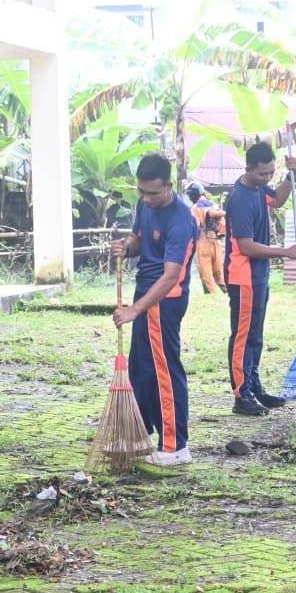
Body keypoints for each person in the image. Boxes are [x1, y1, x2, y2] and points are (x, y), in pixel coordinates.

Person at [111, 154, 200, 465]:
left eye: (152, 193)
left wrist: (135, 310)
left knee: (164, 370)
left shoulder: (181, 219)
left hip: (165, 300)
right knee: (141, 368)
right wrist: (126, 247)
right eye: (141, 192)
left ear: (169, 186)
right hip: (144, 292)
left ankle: (176, 446)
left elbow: (171, 276)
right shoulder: (144, 204)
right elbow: (138, 239)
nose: (146, 199)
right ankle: (140, 434)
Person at [224, 141, 296, 415]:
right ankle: (241, 394)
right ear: (248, 169)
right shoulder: (240, 199)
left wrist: (290, 176)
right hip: (243, 276)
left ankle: (254, 386)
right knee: (243, 335)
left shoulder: (259, 189)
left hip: (258, 275)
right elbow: (246, 247)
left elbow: (277, 200)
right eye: (263, 173)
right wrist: (285, 251)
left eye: (271, 172)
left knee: (256, 335)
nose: (267, 178)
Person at [187, 182, 228, 295]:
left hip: (202, 242)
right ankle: (228, 293)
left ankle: (211, 295)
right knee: (219, 271)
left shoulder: (195, 208)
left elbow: (194, 227)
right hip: (216, 242)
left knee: (206, 273)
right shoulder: (214, 205)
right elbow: (222, 226)